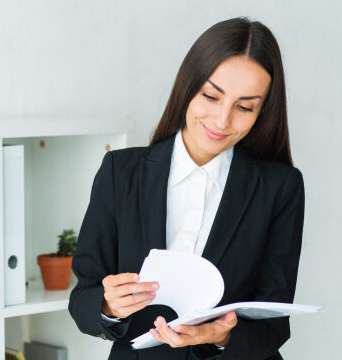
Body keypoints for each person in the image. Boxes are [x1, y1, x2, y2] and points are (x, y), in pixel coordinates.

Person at [68, 17, 304, 360]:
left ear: (262, 112)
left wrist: (221, 338)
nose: (222, 121)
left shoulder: (280, 187)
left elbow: (274, 325)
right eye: (211, 96)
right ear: (188, 87)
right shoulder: (121, 172)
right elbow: (82, 301)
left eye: (245, 106)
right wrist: (108, 305)